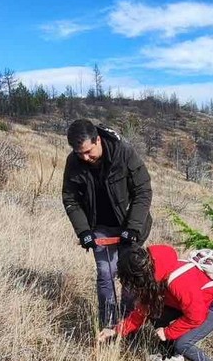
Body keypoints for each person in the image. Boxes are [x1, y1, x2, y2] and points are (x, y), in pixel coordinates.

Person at [97, 243, 213, 361]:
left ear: (139, 276)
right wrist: (114, 330)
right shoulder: (155, 275)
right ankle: (173, 358)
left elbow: (196, 316)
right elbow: (141, 313)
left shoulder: (178, 282)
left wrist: (168, 332)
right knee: (155, 313)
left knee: (183, 344)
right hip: (194, 304)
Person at [62, 119, 153, 327]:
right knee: (105, 273)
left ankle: (127, 326)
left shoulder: (124, 152)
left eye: (88, 151)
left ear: (98, 140)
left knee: (129, 274)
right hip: (99, 228)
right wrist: (83, 231)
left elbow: (143, 191)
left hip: (129, 223)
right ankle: (109, 325)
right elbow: (70, 199)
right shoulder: (74, 162)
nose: (85, 158)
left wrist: (133, 227)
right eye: (79, 153)